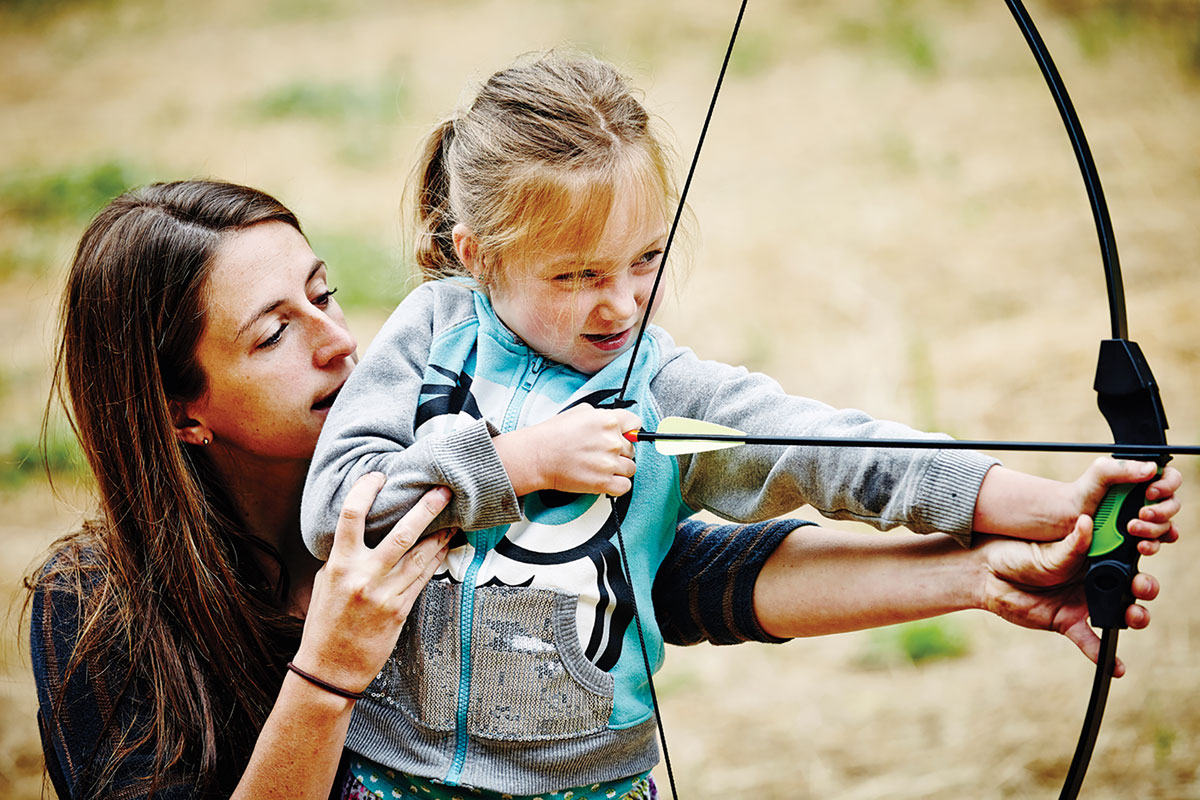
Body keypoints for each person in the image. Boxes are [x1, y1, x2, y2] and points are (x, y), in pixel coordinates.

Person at [298, 52, 1182, 800]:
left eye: (646, 259)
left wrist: (1053, 508)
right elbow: (336, 508)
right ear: (477, 255)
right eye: (575, 275)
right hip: (389, 773)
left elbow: (825, 450)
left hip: (593, 781)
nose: (623, 301)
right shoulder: (431, 336)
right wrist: (518, 461)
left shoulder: (664, 387)